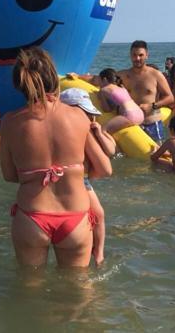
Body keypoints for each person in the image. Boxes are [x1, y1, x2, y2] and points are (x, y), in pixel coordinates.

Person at [0, 48, 112, 268]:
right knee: (80, 294)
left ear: (20, 84)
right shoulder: (78, 117)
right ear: (54, 79)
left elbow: (9, 175)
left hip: (32, 216)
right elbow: (104, 169)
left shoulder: (10, 122)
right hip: (75, 217)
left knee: (29, 290)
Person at [60, 88, 116, 266]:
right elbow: (106, 169)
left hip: (82, 178)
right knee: (98, 214)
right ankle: (98, 253)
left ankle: (98, 252)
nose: (90, 118)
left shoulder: (91, 130)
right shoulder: (67, 130)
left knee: (98, 215)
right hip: (79, 181)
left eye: (91, 114)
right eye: (86, 113)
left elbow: (111, 150)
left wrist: (99, 132)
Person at [117, 41, 175, 143]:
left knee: (157, 153)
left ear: (147, 55)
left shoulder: (156, 75)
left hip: (152, 123)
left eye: (141, 55)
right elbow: (99, 80)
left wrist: (152, 106)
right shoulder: (122, 75)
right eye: (134, 55)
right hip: (131, 124)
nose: (137, 58)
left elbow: (170, 97)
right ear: (130, 56)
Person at [96, 68, 144, 134]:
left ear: (104, 80)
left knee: (103, 130)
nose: (99, 84)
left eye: (99, 81)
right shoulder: (122, 88)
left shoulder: (104, 90)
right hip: (140, 114)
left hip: (130, 115)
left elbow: (106, 110)